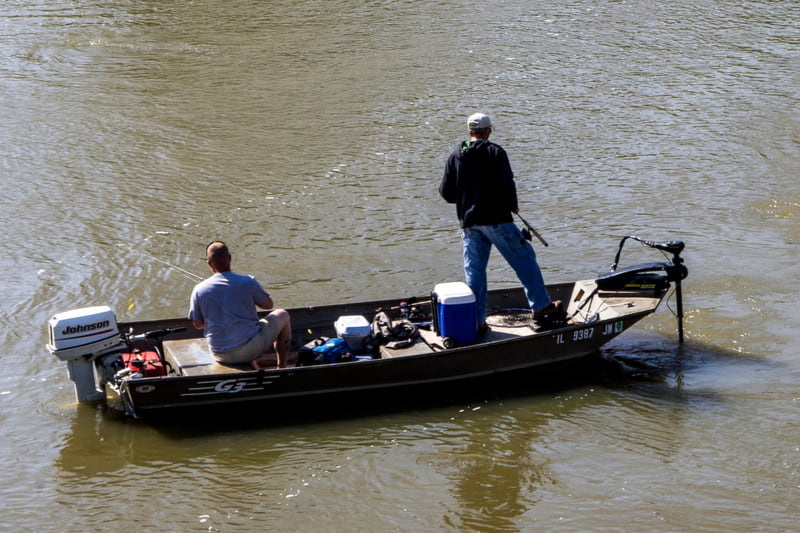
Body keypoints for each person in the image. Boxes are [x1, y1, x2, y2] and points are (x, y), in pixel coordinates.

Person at [439, 112, 562, 331]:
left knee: (475, 273)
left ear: (469, 131)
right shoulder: (495, 152)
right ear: (487, 131)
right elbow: (507, 182)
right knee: (525, 260)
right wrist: (512, 205)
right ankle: (542, 307)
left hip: (469, 222)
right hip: (496, 220)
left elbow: (446, 193)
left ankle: (476, 321)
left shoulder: (455, 154)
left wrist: (469, 199)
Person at [188, 241, 292, 369]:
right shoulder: (248, 282)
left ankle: (253, 365)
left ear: (209, 263)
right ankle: (282, 367)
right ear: (230, 259)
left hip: (218, 353)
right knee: (283, 314)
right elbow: (268, 305)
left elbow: (198, 324)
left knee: (239, 333)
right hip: (248, 351)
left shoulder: (198, 289)